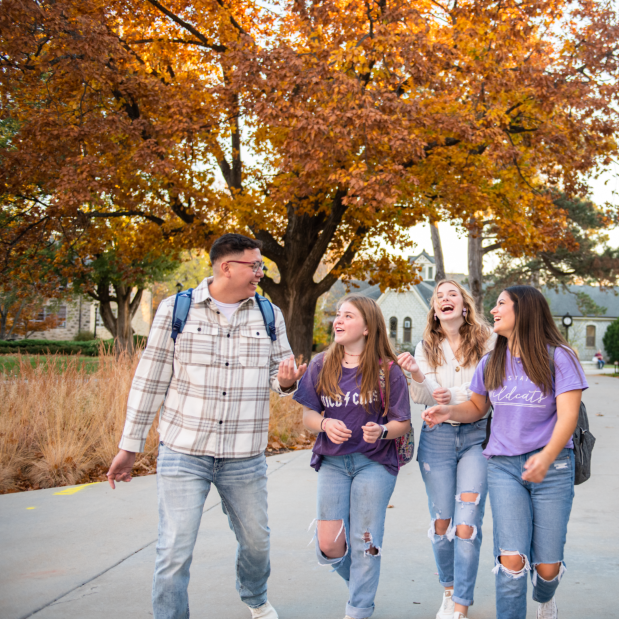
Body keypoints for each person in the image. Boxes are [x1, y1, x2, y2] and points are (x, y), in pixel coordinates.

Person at [106, 233, 307, 619]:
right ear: (225, 267)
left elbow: (278, 374)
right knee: (174, 549)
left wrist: (285, 381)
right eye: (254, 265)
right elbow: (150, 381)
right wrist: (129, 447)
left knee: (256, 543)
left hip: (244, 457)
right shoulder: (176, 310)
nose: (260, 273)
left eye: (261, 265)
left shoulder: (269, 315)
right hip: (184, 451)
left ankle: (255, 596)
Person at [423, 285, 587, 619]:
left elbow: (569, 415)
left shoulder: (559, 356)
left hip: (552, 467)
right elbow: (476, 407)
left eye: (501, 304)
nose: (493, 311)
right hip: (503, 468)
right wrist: (449, 412)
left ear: (523, 310)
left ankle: (545, 596)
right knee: (511, 561)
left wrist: (546, 454)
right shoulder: (492, 359)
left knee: (547, 567)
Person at [294, 295, 412, 619]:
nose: (338, 320)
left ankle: (358, 609)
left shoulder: (389, 371)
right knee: (330, 545)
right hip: (333, 463)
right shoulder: (322, 364)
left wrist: (383, 431)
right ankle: (362, 582)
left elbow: (403, 423)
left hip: (374, 463)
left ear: (367, 328)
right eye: (338, 315)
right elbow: (307, 416)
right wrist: (324, 423)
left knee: (364, 541)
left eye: (348, 315)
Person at [397, 280, 494, 619]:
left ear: (464, 306)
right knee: (442, 523)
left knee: (467, 523)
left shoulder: (488, 340)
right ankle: (449, 590)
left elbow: (489, 388)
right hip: (436, 440)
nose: (445, 299)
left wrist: (447, 394)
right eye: (439, 297)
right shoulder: (426, 347)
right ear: (435, 311)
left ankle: (462, 602)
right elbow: (422, 397)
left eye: (452, 294)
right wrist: (418, 378)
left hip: (478, 437)